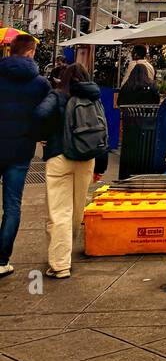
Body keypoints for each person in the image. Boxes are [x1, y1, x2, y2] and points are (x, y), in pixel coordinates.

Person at [42, 62, 109, 279]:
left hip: (60, 157)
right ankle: (64, 253)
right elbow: (101, 132)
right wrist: (101, 165)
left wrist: (43, 135)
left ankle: (60, 264)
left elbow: (38, 115)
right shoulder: (94, 98)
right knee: (76, 211)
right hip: (86, 159)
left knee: (60, 211)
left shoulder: (58, 96)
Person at [0, 34, 57, 278]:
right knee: (12, 206)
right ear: (32, 52)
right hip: (21, 150)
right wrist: (38, 136)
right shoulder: (40, 84)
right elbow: (45, 114)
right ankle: (2, 260)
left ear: (11, 50)